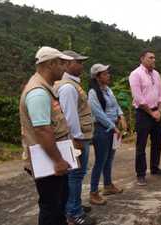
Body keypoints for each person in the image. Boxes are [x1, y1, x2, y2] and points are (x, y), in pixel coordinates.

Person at [19, 46, 73, 225]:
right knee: (51, 206)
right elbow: (42, 130)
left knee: (58, 203)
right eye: (61, 63)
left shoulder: (45, 88)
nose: (65, 68)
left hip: (51, 160)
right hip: (48, 162)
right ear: (50, 64)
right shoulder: (38, 92)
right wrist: (58, 160)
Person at [54, 50, 96, 225]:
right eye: (78, 62)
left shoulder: (70, 84)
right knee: (76, 176)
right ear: (67, 64)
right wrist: (77, 139)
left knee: (75, 176)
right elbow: (70, 117)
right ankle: (73, 212)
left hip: (79, 137)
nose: (81, 65)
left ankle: (74, 204)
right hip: (78, 138)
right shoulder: (68, 87)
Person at [88, 63, 126, 205]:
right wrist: (112, 127)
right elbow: (98, 114)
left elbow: (116, 106)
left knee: (109, 158)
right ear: (97, 77)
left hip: (112, 128)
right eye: (105, 73)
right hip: (102, 130)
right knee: (100, 161)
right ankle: (93, 192)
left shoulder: (108, 90)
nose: (108, 75)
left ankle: (108, 185)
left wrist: (121, 116)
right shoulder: (93, 93)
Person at [128, 50, 161, 186]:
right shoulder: (135, 74)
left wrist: (159, 110)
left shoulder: (156, 74)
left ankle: (155, 168)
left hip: (157, 112)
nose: (153, 60)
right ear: (142, 59)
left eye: (154, 58)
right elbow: (138, 98)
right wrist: (151, 112)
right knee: (141, 144)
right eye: (150, 58)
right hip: (143, 113)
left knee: (157, 142)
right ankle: (141, 174)